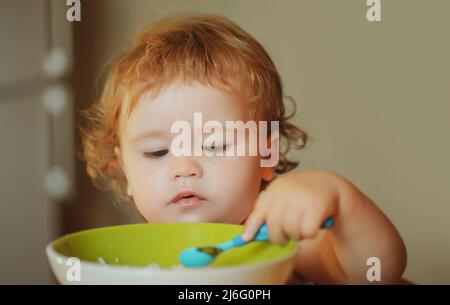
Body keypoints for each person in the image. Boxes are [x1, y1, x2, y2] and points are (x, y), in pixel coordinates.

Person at [81, 13, 407, 284]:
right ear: (124, 171)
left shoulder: (280, 240)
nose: (184, 167)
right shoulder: (124, 263)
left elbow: (379, 272)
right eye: (156, 152)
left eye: (214, 144)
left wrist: (339, 196)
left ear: (267, 154)